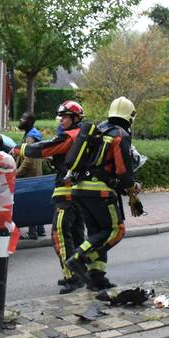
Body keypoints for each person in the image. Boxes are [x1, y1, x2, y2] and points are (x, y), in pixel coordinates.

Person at [13, 101, 95, 292]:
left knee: (59, 234)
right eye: (62, 117)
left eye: (65, 117)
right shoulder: (83, 136)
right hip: (80, 193)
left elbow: (43, 149)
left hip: (66, 194)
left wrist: (20, 149)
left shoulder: (70, 136)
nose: (62, 120)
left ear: (75, 118)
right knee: (76, 234)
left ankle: (71, 277)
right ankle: (83, 274)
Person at [60, 97, 139, 292]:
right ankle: (79, 258)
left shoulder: (98, 130)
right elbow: (122, 170)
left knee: (97, 233)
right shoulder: (120, 134)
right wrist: (132, 187)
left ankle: (96, 278)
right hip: (100, 191)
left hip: (79, 189)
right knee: (115, 230)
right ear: (130, 116)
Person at [14, 112, 46, 240]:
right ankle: (40, 229)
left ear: (30, 122)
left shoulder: (30, 138)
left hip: (29, 177)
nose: (20, 121)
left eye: (23, 119)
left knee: (30, 203)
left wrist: (16, 173)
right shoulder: (31, 135)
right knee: (36, 202)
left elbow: (29, 160)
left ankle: (32, 233)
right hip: (35, 175)